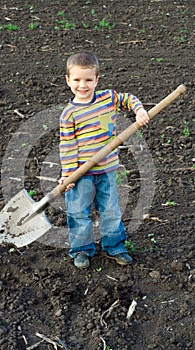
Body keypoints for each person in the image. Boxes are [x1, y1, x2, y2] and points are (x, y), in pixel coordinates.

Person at [59, 51, 149, 269]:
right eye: (77, 80)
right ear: (68, 80)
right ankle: (81, 249)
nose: (83, 85)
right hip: (81, 173)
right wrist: (68, 175)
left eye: (88, 80)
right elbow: (68, 147)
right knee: (78, 212)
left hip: (107, 170)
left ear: (96, 80)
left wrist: (139, 111)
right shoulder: (68, 115)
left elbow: (128, 99)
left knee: (111, 211)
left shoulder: (107, 98)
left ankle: (115, 246)